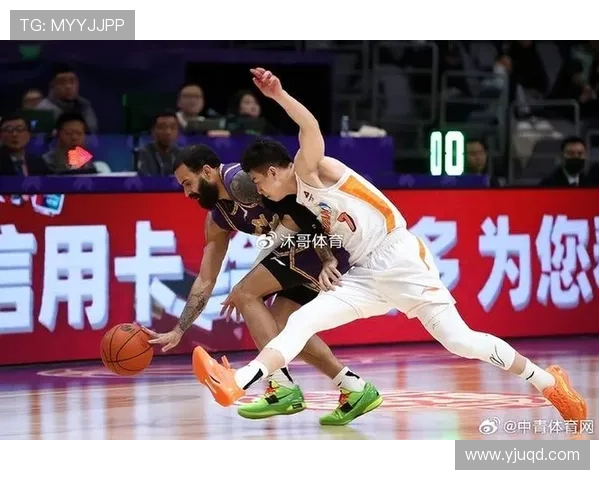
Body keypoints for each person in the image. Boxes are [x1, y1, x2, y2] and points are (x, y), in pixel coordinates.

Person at [191, 68, 588, 429]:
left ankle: (548, 382)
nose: (259, 191)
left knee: (461, 342)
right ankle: (237, 381)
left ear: (274, 171)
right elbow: (325, 233)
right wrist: (326, 259)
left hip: (399, 258)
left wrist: (278, 94)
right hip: (364, 274)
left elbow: (309, 125)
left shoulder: (312, 168)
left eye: (260, 182)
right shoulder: (298, 202)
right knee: (300, 322)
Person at [143, 144, 382, 425]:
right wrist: (179, 329)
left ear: (207, 171)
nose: (187, 193)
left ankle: (281, 387)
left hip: (318, 241)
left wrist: (327, 257)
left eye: (188, 183)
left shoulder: (241, 182)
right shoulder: (218, 218)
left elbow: (302, 210)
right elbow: (206, 278)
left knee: (245, 293)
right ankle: (354, 388)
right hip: (299, 247)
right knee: (282, 327)